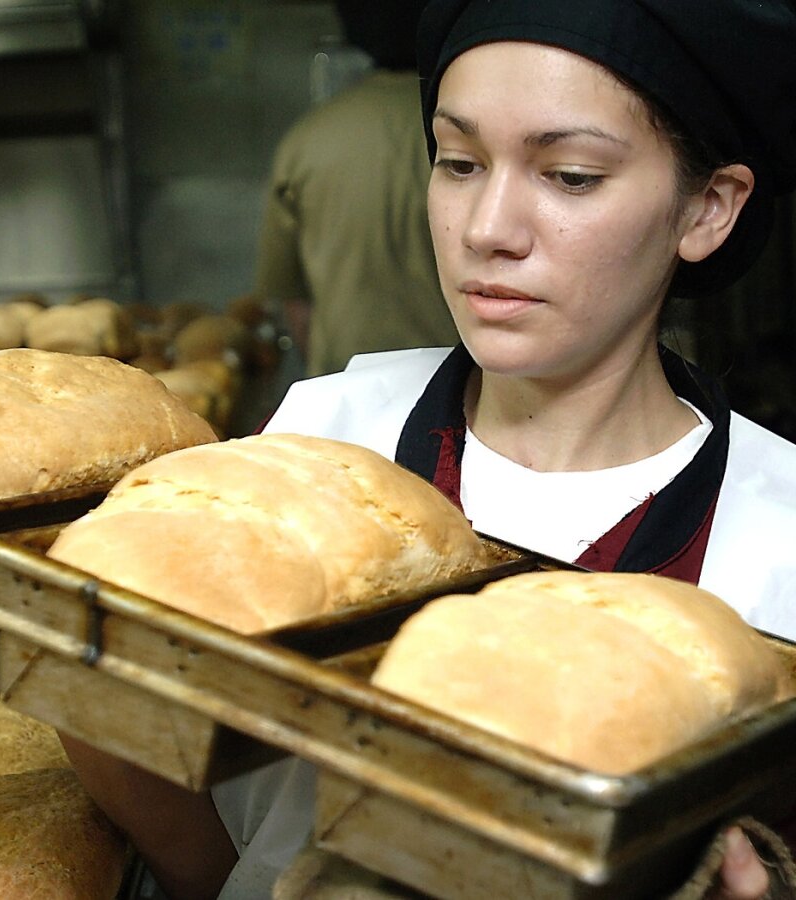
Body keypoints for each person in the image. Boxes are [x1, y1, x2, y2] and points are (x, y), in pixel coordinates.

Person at [61, 1, 796, 898]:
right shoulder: (315, 439)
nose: (488, 226)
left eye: (568, 175)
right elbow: (187, 812)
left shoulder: (777, 535)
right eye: (458, 162)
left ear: (708, 208)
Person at [254, 0, 458, 376]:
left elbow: (292, 297)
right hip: (458, 389)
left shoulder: (308, 140)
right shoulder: (468, 135)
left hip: (345, 383)